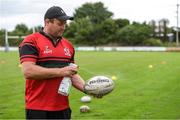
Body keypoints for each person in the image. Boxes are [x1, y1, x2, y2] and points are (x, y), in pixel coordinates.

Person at [19, 6, 86, 119]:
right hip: (38, 109)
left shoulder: (68, 46)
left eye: (65, 24)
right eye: (60, 23)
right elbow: (28, 71)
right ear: (47, 22)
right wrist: (61, 72)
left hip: (63, 108)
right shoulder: (31, 41)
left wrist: (88, 89)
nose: (63, 27)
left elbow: (71, 73)